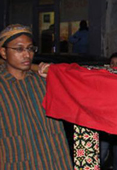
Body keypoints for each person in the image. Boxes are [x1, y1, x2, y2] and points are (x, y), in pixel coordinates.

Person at [0, 24, 72, 169]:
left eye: (30, 48)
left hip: (55, 163)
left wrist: (57, 76)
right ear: (3, 52)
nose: (27, 55)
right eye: (19, 49)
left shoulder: (45, 83)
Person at [100, 52, 117, 170]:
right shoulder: (104, 80)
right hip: (105, 126)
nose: (114, 66)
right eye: (112, 64)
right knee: (100, 154)